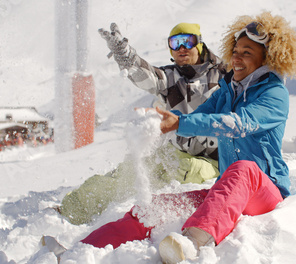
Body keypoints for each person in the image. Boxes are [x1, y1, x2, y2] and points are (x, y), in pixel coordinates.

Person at [74, 11, 296, 264]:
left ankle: (192, 241)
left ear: (267, 58)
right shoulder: (227, 90)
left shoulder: (274, 93)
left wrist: (180, 122)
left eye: (247, 52)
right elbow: (200, 116)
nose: (237, 58)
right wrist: (165, 123)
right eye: (236, 50)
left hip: (265, 191)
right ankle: (81, 250)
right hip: (227, 190)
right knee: (155, 207)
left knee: (244, 169)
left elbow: (239, 124)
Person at [57, 22, 227, 225]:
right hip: (177, 153)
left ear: (199, 43)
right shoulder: (170, 77)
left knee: (184, 166)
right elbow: (146, 75)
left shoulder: (226, 74)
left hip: (215, 161)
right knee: (126, 175)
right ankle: (70, 210)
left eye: (187, 41)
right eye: (175, 43)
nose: (182, 48)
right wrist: (126, 57)